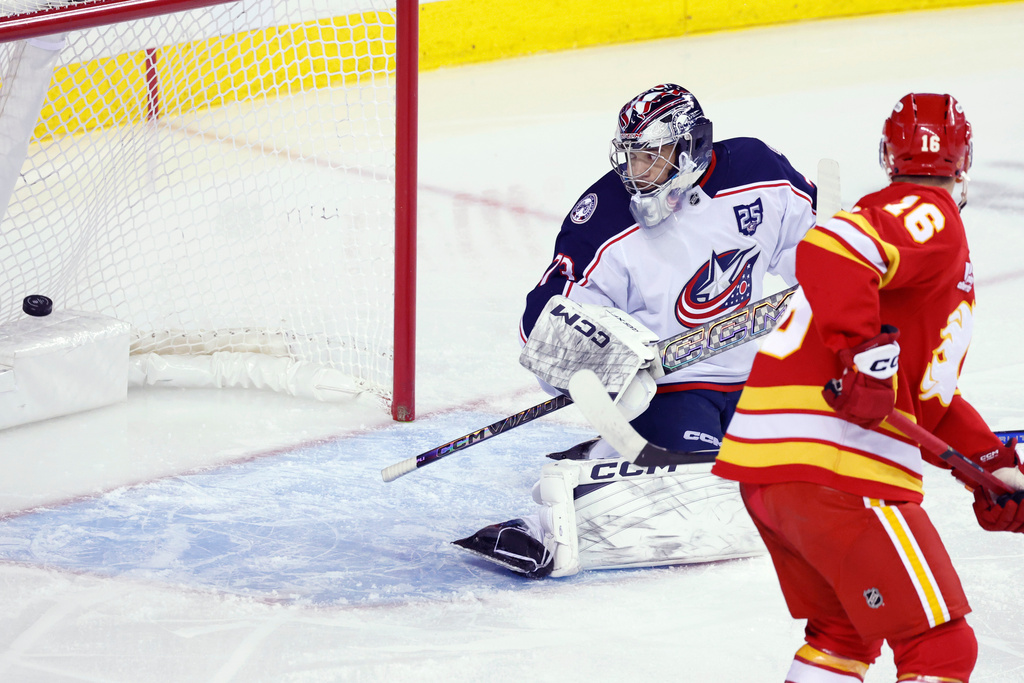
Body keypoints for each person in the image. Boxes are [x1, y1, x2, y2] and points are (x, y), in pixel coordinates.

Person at [712, 93, 1024, 682]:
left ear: (886, 153)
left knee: (844, 637)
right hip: (840, 470)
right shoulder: (926, 213)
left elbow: (927, 402)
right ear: (967, 160)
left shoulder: (919, 250)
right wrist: (866, 357)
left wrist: (994, 469)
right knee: (941, 649)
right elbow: (830, 247)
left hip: (773, 470)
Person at [454, 83, 820, 578]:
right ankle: (579, 484)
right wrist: (608, 372)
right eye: (629, 157)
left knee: (811, 477)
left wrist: (839, 291)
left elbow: (817, 252)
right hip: (672, 388)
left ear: (689, 149)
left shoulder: (759, 172)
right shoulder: (603, 216)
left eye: (651, 158)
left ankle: (614, 451)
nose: (634, 173)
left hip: (759, 376)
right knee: (693, 495)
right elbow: (543, 322)